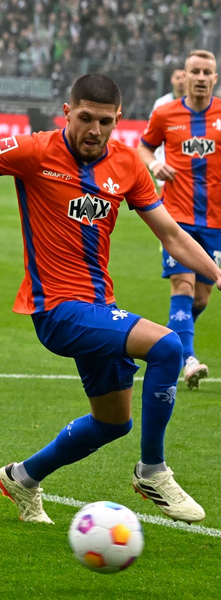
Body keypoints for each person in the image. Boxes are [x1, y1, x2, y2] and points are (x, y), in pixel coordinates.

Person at [0, 74, 221, 525]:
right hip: (58, 310)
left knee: (113, 422)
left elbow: (172, 234)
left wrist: (217, 273)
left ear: (118, 119)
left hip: (99, 306)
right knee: (168, 347)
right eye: (85, 118)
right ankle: (152, 471)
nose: (94, 130)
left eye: (105, 121)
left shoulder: (127, 166)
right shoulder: (36, 151)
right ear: (67, 112)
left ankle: (22, 478)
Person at [138, 50, 221, 391]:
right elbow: (144, 147)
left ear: (215, 78)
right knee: (182, 286)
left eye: (207, 72)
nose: (201, 77)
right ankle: (186, 359)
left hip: (215, 221)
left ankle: (172, 339)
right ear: (183, 77)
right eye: (195, 72)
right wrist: (154, 164)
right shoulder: (165, 113)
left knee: (200, 298)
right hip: (175, 219)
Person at [149, 67, 186, 188]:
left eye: (184, 77)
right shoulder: (161, 103)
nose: (181, 81)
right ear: (172, 80)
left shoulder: (195, 104)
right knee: (166, 188)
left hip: (187, 152)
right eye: (178, 78)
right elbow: (151, 128)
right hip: (164, 152)